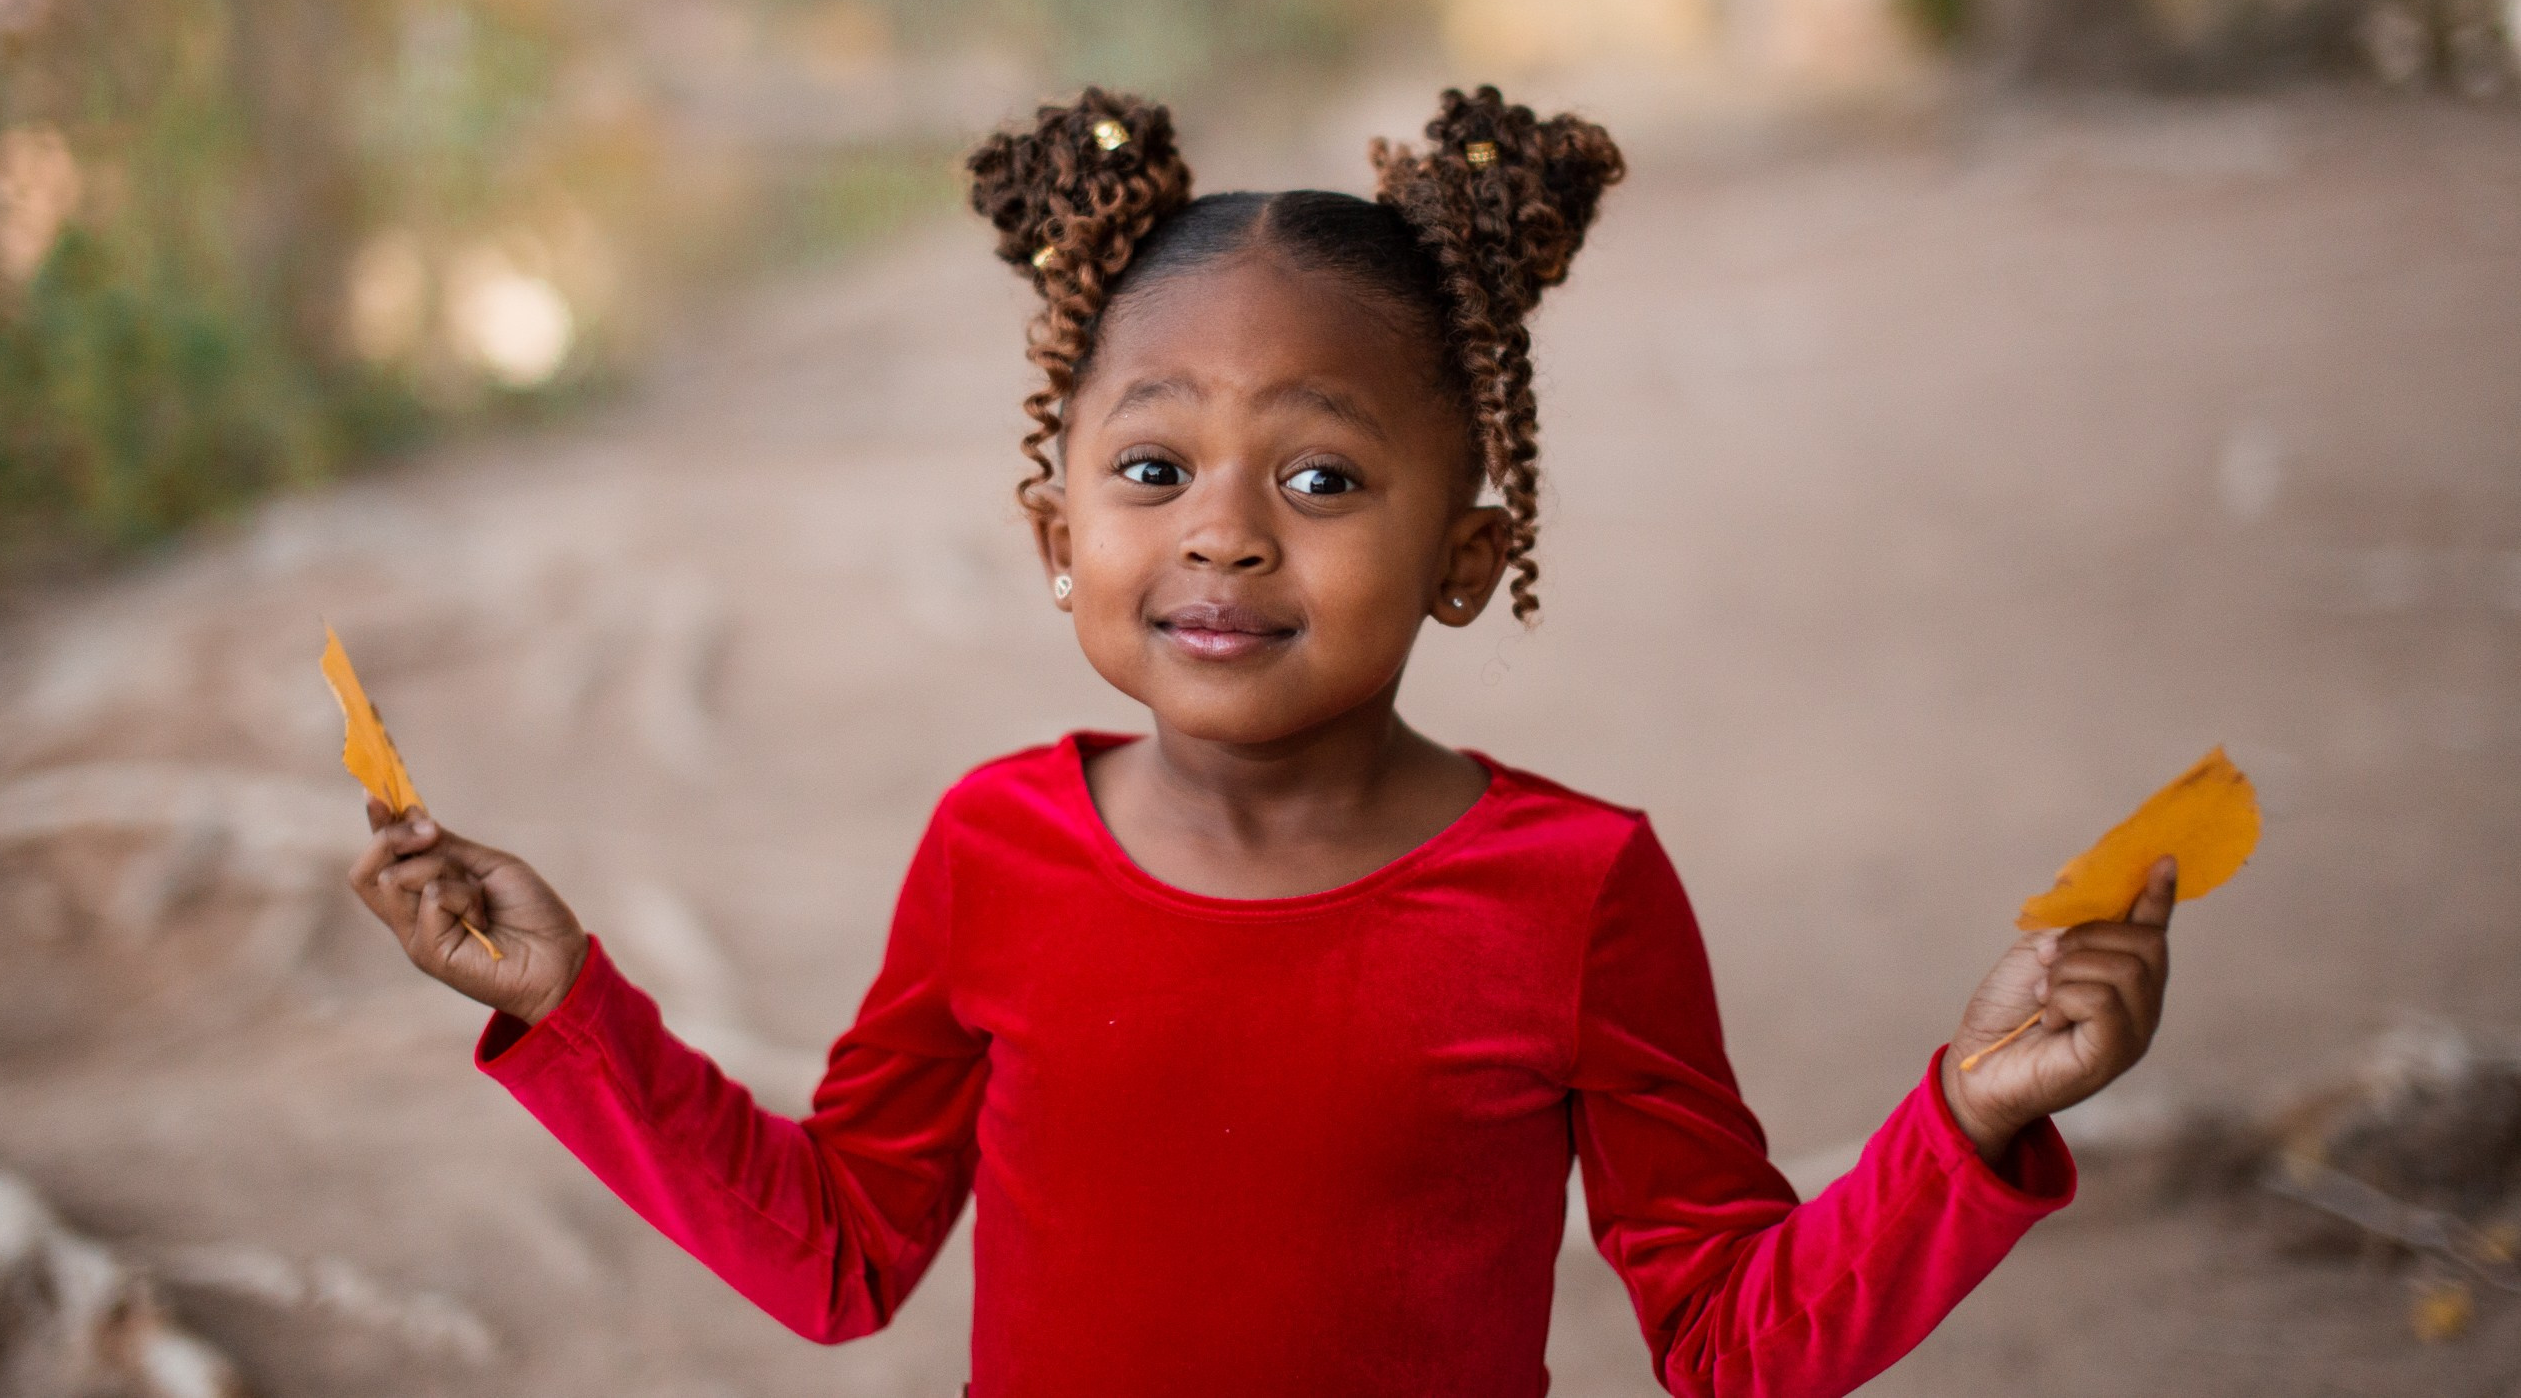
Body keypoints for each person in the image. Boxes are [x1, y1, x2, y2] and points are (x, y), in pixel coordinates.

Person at [348, 86, 2176, 1398]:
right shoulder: (995, 847)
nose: (1222, 532)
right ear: (1058, 533)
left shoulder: (1573, 891)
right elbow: (839, 1253)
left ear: (1467, 556)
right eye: (1152, 470)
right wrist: (566, 1010)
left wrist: (1965, 1123)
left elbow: (1729, 1341)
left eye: (1319, 476)